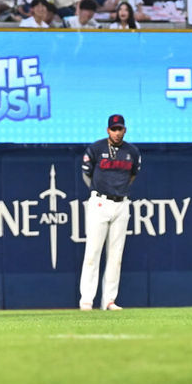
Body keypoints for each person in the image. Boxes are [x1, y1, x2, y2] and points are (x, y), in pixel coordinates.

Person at [79, 114, 141, 311]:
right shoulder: (96, 148)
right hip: (100, 202)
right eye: (113, 129)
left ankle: (109, 300)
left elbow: (132, 175)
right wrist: (98, 192)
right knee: (93, 252)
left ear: (125, 130)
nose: (117, 132)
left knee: (116, 255)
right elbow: (86, 174)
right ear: (108, 130)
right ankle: (87, 300)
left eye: (120, 128)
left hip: (121, 203)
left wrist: (118, 192)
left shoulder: (132, 152)